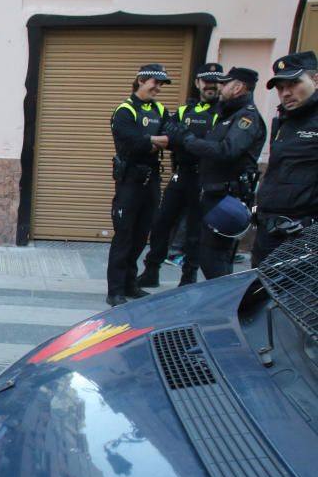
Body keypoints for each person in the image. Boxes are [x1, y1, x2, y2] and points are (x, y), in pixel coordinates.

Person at [166, 67, 266, 279]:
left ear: (238, 87)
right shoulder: (228, 114)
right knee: (208, 255)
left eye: (224, 83)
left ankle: (225, 306)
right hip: (213, 194)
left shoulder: (246, 118)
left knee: (214, 258)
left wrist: (188, 140)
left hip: (226, 199)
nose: (219, 87)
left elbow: (227, 150)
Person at [138, 63, 223, 288]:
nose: (211, 85)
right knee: (161, 224)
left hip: (203, 178)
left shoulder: (222, 113)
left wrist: (186, 140)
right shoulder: (186, 110)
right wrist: (190, 141)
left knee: (195, 231)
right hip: (181, 175)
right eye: (206, 80)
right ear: (198, 83)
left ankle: (188, 277)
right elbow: (170, 136)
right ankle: (151, 271)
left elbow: (213, 145)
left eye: (215, 81)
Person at [106, 64, 171, 307]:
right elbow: (130, 142)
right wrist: (153, 141)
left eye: (162, 84)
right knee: (124, 235)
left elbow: (172, 135)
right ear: (142, 80)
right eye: (156, 82)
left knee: (142, 234)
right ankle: (115, 291)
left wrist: (152, 141)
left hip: (151, 180)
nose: (159, 88)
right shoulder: (125, 110)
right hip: (130, 181)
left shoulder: (160, 110)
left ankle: (130, 285)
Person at [251, 51, 318, 265]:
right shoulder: (284, 120)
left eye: (293, 84)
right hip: (269, 232)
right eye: (280, 87)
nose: (285, 93)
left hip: (301, 238)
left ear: (315, 79)